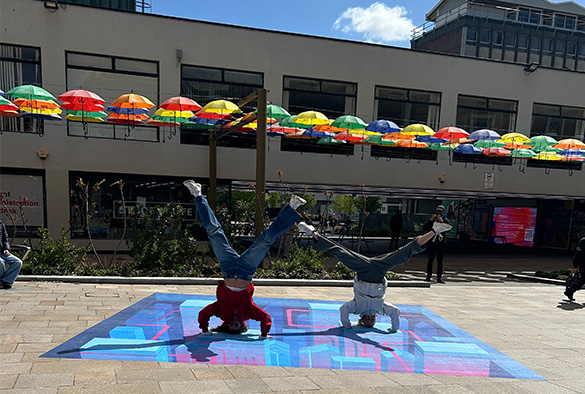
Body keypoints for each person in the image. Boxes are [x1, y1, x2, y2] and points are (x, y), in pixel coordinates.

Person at [184, 180, 304, 339]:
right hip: (246, 270)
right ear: (242, 325)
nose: (234, 321)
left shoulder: (220, 310)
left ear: (225, 324)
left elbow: (203, 314)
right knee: (266, 239)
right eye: (237, 325)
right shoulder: (248, 311)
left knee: (214, 232)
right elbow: (265, 318)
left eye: (231, 324)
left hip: (227, 267)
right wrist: (263, 334)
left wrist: (205, 329)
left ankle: (197, 194)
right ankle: (291, 207)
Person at [297, 220, 451, 332]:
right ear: (376, 318)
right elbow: (395, 312)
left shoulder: (356, 308)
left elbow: (343, 309)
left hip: (363, 270)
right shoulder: (381, 309)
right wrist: (393, 329)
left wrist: (347, 325)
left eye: (367, 320)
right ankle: (435, 230)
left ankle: (312, 232)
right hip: (379, 271)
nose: (370, 318)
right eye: (373, 320)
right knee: (404, 254)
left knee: (340, 251)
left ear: (362, 319)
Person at [423, 205, 451, 284]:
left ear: (443, 212)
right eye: (438, 211)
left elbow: (448, 229)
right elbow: (425, 228)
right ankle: (428, 276)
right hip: (432, 242)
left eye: (440, 211)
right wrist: (431, 220)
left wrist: (441, 222)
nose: (439, 213)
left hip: (440, 243)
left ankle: (439, 278)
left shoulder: (445, 220)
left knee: (440, 261)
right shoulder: (432, 220)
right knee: (430, 260)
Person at [0, 220, 23, 290]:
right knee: (1, 263)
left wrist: (6, 249)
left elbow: (5, 239)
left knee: (18, 262)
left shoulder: (1, 225)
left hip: (1, 252)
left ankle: (6, 280)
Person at [565, 236, 585, 301]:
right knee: (583, 279)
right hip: (583, 264)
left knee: (583, 280)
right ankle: (570, 291)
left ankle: (570, 291)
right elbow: (578, 254)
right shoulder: (583, 241)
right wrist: (575, 266)